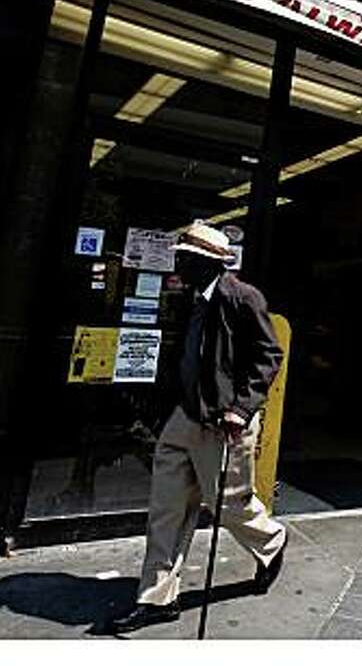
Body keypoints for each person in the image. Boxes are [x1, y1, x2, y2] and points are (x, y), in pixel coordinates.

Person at [107, 222, 287, 634]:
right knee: (167, 510)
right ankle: (157, 598)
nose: (177, 265)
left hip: (223, 423)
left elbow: (268, 356)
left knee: (229, 505)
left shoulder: (242, 298)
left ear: (206, 263)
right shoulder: (191, 300)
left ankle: (272, 542)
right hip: (184, 417)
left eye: (184, 259)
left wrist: (241, 409)